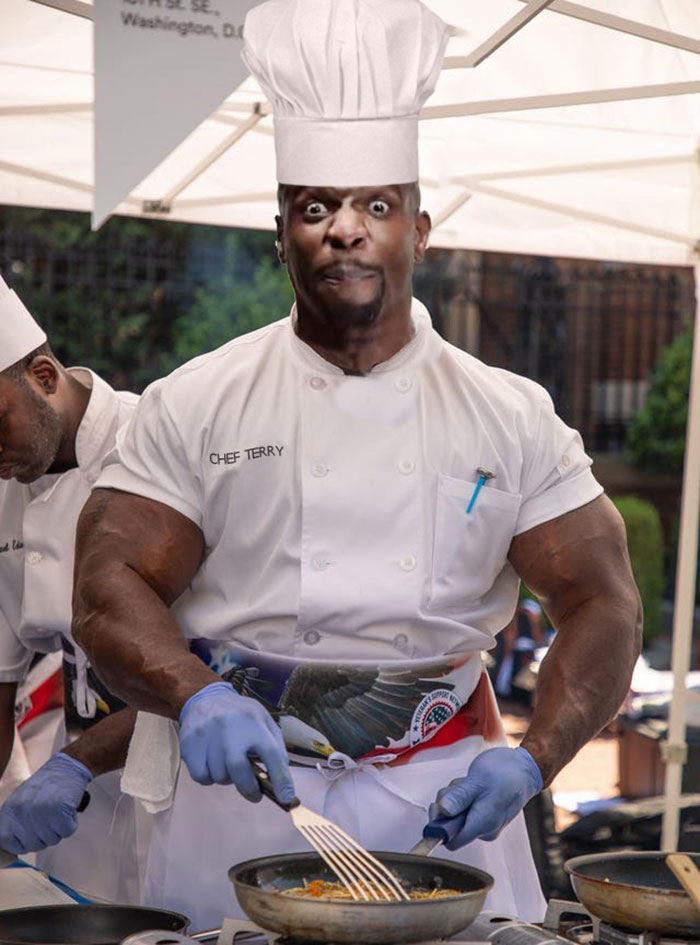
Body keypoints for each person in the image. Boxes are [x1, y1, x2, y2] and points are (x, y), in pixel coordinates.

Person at [72, 0, 642, 930]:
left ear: (421, 231)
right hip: (241, 802)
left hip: (446, 803)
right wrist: (195, 694)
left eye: (377, 205)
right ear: (280, 234)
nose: (345, 228)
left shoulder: (510, 414)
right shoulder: (197, 400)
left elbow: (605, 602)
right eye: (315, 207)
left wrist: (535, 757)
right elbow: (107, 585)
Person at [0, 274, 147, 903]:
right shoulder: (6, 485)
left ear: (42, 376)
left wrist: (75, 764)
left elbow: (204, 661)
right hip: (78, 799)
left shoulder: (152, 441)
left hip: (183, 781)